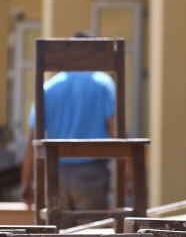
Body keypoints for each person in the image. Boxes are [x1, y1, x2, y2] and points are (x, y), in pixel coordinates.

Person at [19, 34, 116, 218]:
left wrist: (26, 181)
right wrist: (126, 174)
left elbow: (32, 137)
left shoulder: (48, 88)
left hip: (56, 174)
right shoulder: (102, 83)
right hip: (91, 174)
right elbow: (115, 128)